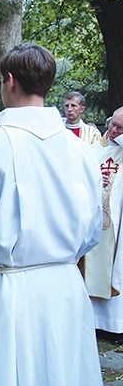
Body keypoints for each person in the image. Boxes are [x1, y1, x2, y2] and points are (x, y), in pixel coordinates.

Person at [0, 43, 103, 386]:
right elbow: (94, 227)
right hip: (64, 282)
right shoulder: (78, 147)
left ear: (10, 81)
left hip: (9, 285)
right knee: (64, 374)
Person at [85, 108, 123, 342]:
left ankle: (116, 324)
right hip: (98, 221)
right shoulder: (94, 148)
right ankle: (96, 322)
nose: (113, 131)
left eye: (120, 128)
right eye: (112, 125)